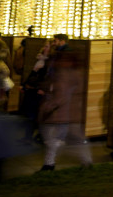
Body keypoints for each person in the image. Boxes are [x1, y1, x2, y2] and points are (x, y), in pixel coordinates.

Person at [37, 38, 92, 171]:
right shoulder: (76, 73)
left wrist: (46, 107)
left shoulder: (63, 74)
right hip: (71, 113)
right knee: (75, 140)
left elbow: (61, 95)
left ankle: (49, 164)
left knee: (54, 140)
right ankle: (86, 161)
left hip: (61, 113)